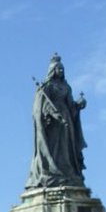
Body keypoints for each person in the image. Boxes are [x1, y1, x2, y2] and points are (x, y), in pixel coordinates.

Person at [26, 53, 87, 189]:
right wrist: (50, 112)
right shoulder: (46, 87)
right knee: (54, 147)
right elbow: (40, 106)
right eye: (59, 69)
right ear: (53, 70)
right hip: (53, 122)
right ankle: (53, 171)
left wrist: (79, 105)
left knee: (67, 148)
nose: (61, 71)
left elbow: (71, 105)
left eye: (62, 69)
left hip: (66, 119)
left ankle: (68, 173)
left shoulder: (66, 87)